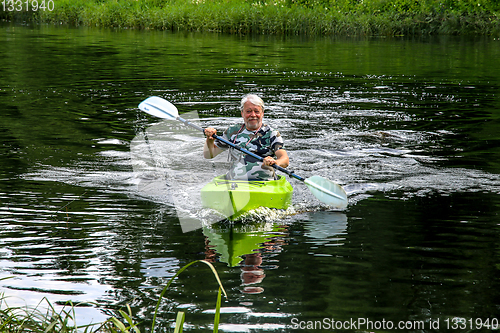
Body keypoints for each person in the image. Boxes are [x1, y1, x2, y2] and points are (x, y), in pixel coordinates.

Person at [203, 94, 289, 181]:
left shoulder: (272, 133)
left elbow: (285, 159)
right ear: (242, 113)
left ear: (262, 113)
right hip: (235, 182)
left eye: (256, 111)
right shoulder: (232, 131)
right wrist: (210, 140)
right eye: (248, 111)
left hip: (265, 183)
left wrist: (275, 162)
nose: (253, 115)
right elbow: (209, 155)